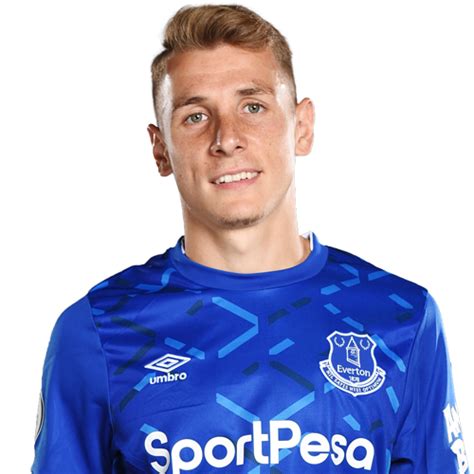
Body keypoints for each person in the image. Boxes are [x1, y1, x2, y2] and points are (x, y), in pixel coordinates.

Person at [31, 4, 469, 473]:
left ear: (302, 127)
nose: (227, 138)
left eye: (253, 107)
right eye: (195, 116)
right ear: (161, 150)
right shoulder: (99, 331)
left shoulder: (401, 317)